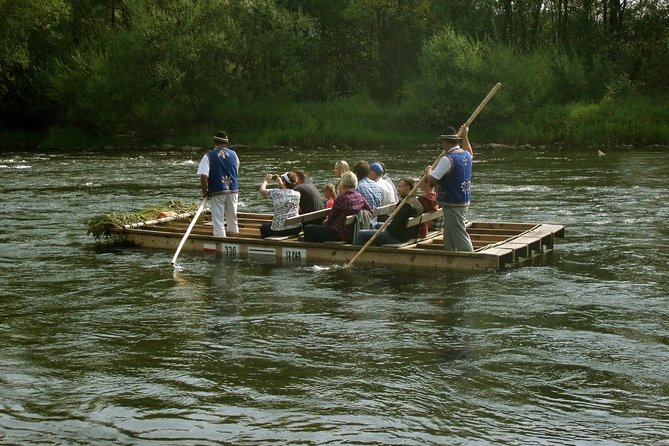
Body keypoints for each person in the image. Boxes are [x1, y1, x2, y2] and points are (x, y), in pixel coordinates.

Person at [424, 125, 473, 252]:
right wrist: (465, 137)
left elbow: (432, 180)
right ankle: (449, 254)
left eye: (442, 142)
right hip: (462, 199)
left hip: (453, 202)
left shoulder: (448, 159)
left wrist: (428, 170)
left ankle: (470, 257)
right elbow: (470, 152)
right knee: (450, 231)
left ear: (446, 142)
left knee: (458, 232)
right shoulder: (465, 154)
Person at [353, 177, 424, 246]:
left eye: (400, 187)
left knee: (361, 234)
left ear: (407, 187)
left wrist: (387, 227)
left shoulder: (405, 204)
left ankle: (355, 254)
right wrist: (388, 226)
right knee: (375, 225)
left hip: (397, 237)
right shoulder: (417, 202)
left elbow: (394, 227)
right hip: (405, 234)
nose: (398, 189)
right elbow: (398, 222)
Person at [304, 171, 372, 243]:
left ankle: (314, 251)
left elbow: (330, 220)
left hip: (339, 234)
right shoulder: (360, 197)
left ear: (342, 183)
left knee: (308, 229)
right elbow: (370, 211)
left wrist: (325, 222)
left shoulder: (341, 198)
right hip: (352, 233)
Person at [197, 130, 239, 237]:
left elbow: (203, 176)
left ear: (214, 143)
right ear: (226, 143)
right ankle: (234, 236)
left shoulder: (209, 156)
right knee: (232, 218)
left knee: (218, 220)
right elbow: (235, 171)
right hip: (233, 190)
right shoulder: (234, 154)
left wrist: (205, 192)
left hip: (217, 191)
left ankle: (220, 241)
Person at [258, 172, 302, 239]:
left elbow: (262, 191)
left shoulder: (276, 192)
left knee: (263, 227)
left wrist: (266, 180)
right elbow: (286, 191)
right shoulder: (297, 194)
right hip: (295, 229)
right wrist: (280, 182)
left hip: (279, 230)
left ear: (284, 182)